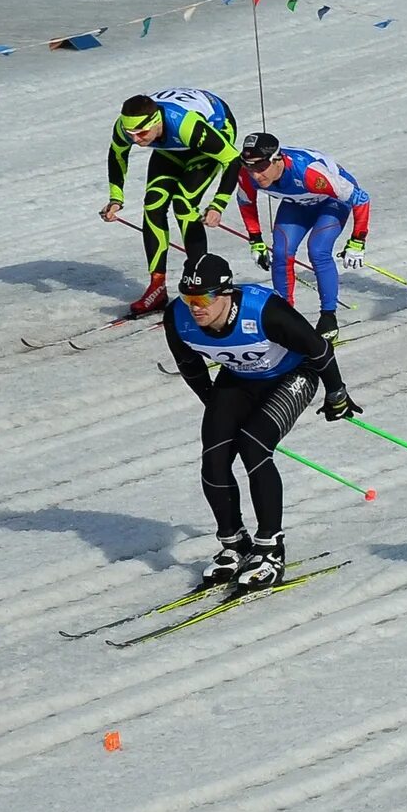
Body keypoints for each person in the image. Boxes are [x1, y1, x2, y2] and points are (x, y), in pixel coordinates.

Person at [165, 252, 357, 595]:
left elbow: (319, 350)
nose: (196, 307)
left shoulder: (263, 311)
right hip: (238, 379)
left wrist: (337, 394)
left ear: (226, 293)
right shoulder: (177, 318)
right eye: (188, 297)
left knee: (254, 446)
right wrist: (214, 403)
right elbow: (190, 365)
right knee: (215, 455)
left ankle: (270, 548)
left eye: (204, 298)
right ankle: (234, 544)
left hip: (293, 375)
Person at [103, 88, 245, 316]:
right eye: (131, 134)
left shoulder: (186, 125)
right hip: (172, 145)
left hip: (215, 129)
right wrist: (115, 197)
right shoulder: (126, 127)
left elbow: (232, 159)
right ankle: (157, 287)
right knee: (153, 205)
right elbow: (118, 154)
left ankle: (200, 282)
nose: (136, 140)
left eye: (141, 133)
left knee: (184, 203)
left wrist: (218, 204)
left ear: (156, 121)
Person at [231, 134, 372, 338]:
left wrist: (357, 241)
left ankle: (328, 317)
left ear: (277, 159)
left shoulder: (308, 172)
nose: (256, 175)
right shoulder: (247, 175)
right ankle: (285, 317)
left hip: (330, 201)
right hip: (297, 202)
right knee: (281, 253)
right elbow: (246, 203)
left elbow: (361, 198)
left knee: (318, 250)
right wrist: (256, 241)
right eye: (250, 167)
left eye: (261, 167)